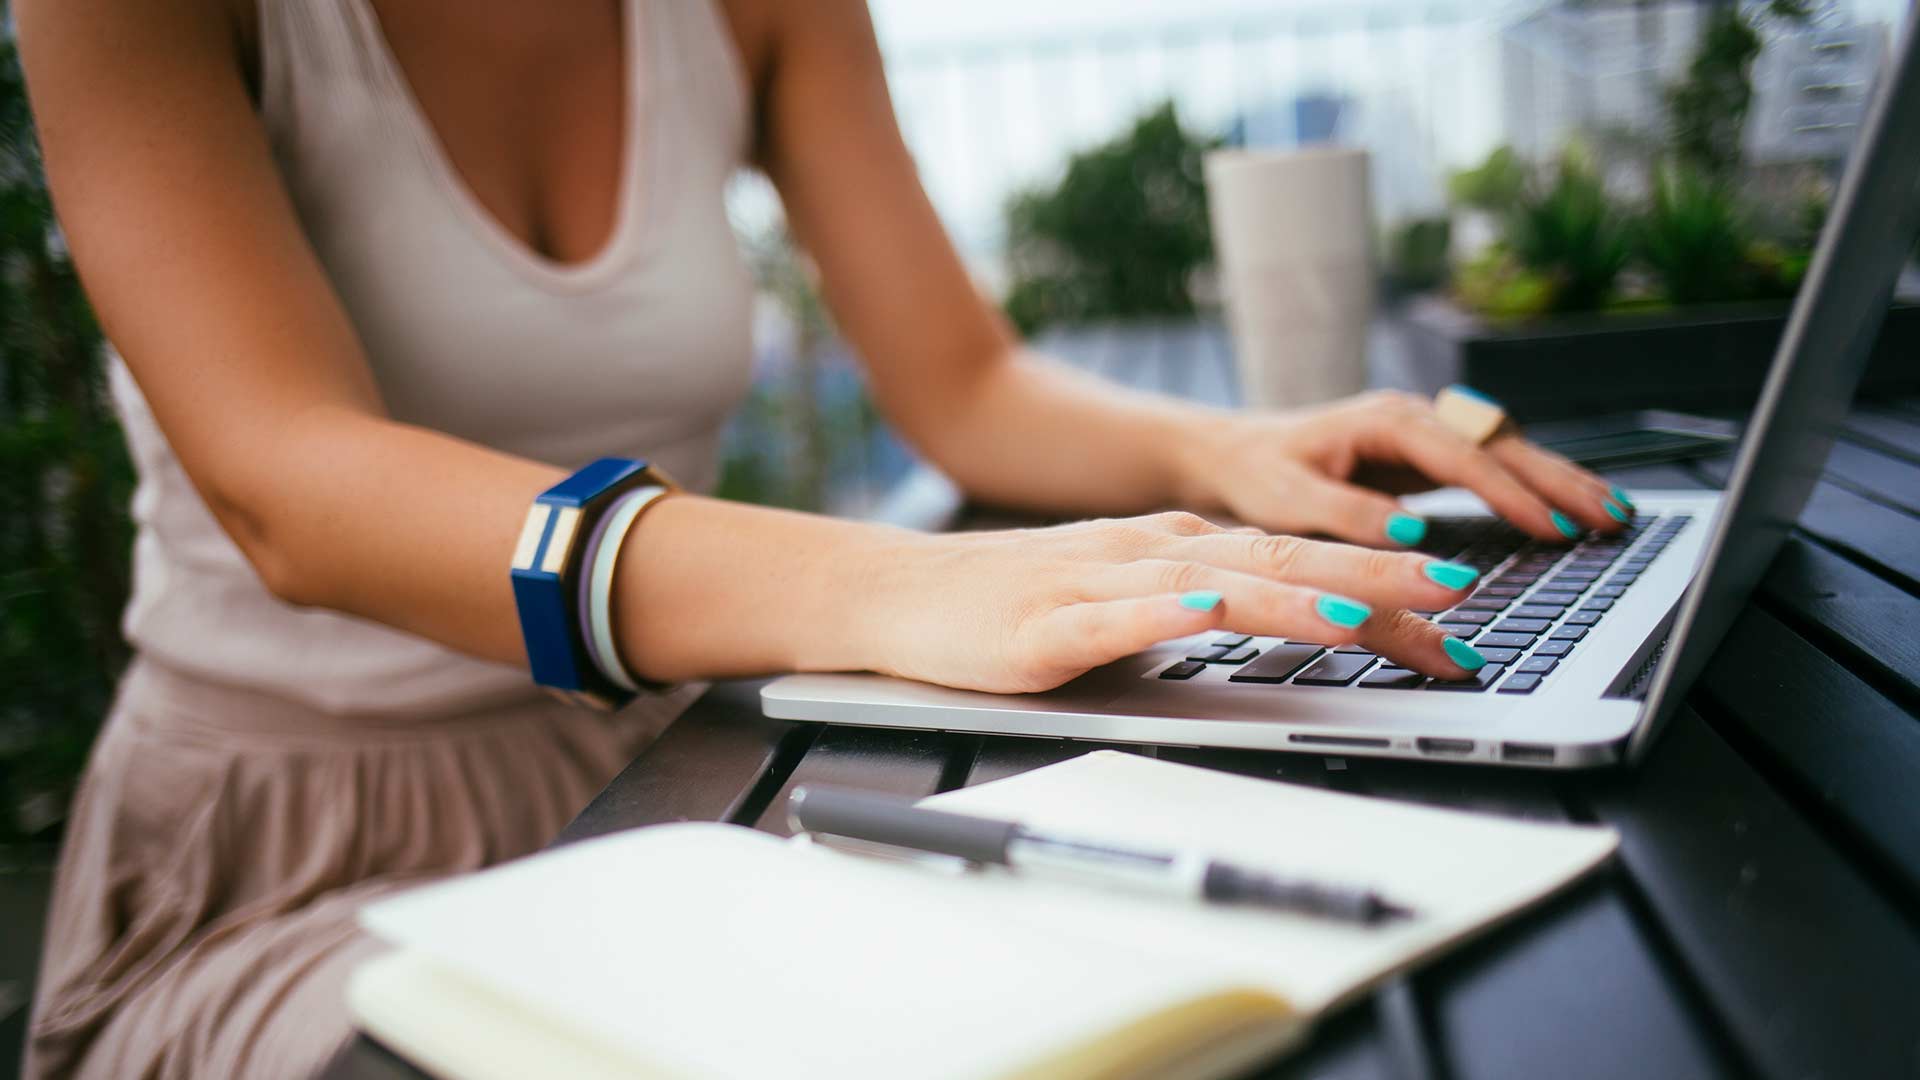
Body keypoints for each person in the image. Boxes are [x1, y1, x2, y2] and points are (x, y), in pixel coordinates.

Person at [15, 0, 1631, 1075]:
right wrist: (887, 582)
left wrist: (1230, 452)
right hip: (291, 844)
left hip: (675, 770)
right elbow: (287, 489)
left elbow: (964, 379)